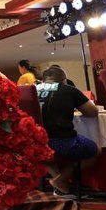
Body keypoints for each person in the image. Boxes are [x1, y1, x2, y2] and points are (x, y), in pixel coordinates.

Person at [37, 66, 100, 195]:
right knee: (96, 150)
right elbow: (92, 112)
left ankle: (59, 183)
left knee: (44, 155)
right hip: (62, 142)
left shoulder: (31, 90)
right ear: (64, 80)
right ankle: (60, 179)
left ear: (43, 80)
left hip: (35, 143)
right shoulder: (69, 90)